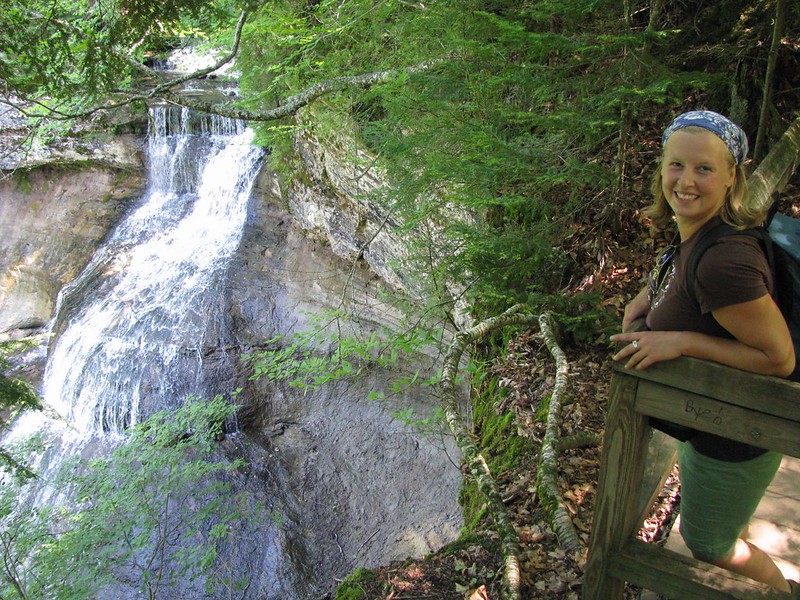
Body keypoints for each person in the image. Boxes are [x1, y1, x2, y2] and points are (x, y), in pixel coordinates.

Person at [610, 110, 799, 594]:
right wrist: (648, 297)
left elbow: (779, 359)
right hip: (705, 422)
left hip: (738, 434)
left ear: (733, 175)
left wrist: (683, 341)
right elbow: (681, 280)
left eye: (704, 169)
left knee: (711, 543)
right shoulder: (699, 227)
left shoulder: (725, 261)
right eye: (676, 165)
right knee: (713, 535)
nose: (685, 181)